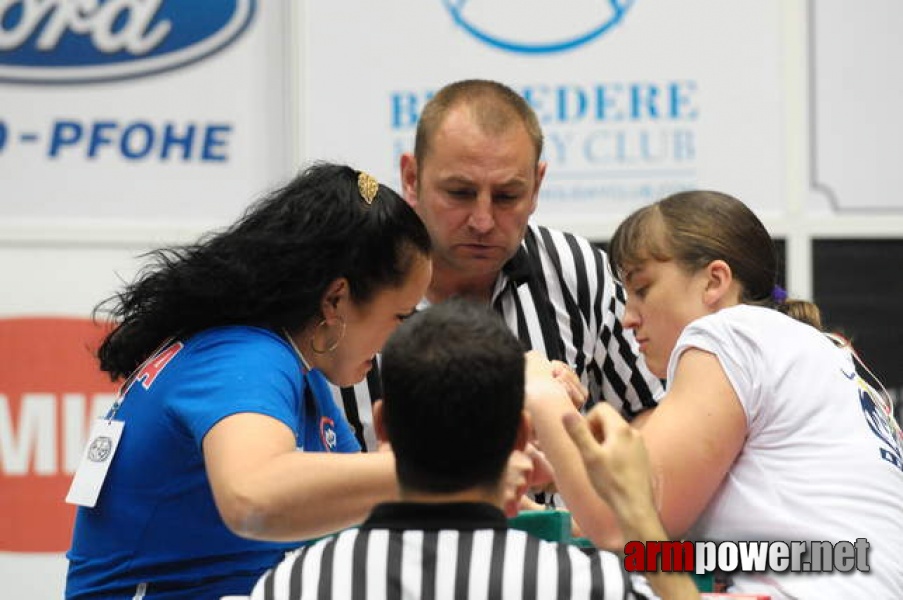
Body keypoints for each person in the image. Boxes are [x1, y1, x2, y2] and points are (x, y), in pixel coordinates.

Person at [64, 163, 433, 599]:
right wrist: (443, 470)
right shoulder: (245, 358)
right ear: (336, 299)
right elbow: (252, 494)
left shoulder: (296, 372)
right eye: (400, 317)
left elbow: (369, 516)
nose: (400, 340)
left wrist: (504, 499)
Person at [525, 190, 903, 598]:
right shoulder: (820, 352)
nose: (627, 317)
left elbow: (623, 527)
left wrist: (542, 396)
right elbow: (693, 554)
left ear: (714, 281)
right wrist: (562, 487)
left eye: (643, 288)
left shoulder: (732, 333)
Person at [250, 299, 698, 600]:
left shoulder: (298, 582)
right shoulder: (583, 583)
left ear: (383, 426)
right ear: (522, 437)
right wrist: (641, 519)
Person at [333, 78, 663, 461]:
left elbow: (650, 412)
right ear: (411, 178)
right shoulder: (347, 289)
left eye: (507, 196)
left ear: (537, 185)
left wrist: (574, 439)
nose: (483, 220)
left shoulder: (578, 269)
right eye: (459, 192)